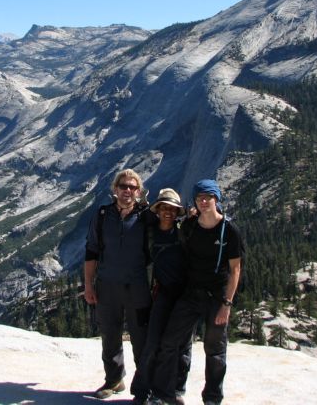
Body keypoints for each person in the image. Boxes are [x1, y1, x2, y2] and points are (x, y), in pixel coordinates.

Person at [148, 179, 243, 405]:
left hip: (216, 297)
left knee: (215, 350)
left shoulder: (229, 230)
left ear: (216, 199)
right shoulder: (189, 226)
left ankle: (212, 399)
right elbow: (168, 225)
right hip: (191, 293)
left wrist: (226, 304)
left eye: (207, 197)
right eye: (199, 197)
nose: (203, 201)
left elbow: (235, 269)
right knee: (171, 341)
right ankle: (166, 393)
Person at [84, 169, 153, 400]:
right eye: (123, 186)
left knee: (141, 338)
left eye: (132, 187)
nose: (127, 191)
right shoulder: (102, 215)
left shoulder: (146, 217)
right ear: (115, 189)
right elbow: (91, 251)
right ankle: (114, 380)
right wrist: (88, 285)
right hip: (107, 285)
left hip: (137, 287)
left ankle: (143, 388)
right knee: (109, 335)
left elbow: (163, 243)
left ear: (139, 191)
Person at [130, 188, 192, 405]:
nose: (168, 212)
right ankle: (142, 391)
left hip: (185, 295)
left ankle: (175, 390)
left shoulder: (183, 231)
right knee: (153, 342)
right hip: (163, 293)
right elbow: (138, 214)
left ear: (177, 212)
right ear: (158, 210)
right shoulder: (150, 231)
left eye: (172, 209)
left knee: (183, 345)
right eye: (164, 208)